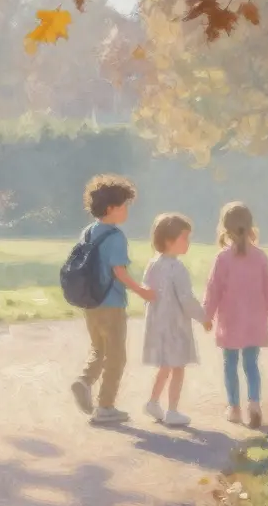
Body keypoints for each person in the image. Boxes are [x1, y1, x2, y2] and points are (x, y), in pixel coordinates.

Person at [70, 174, 156, 425]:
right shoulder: (115, 236)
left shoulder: (87, 232)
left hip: (90, 303)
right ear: (111, 209)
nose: (127, 210)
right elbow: (119, 271)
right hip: (111, 304)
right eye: (124, 205)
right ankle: (105, 407)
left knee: (99, 349)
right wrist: (142, 291)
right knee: (116, 356)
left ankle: (84, 381)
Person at [203, 202, 268, 429]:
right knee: (251, 364)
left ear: (225, 228)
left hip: (231, 320)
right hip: (254, 320)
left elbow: (213, 288)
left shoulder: (223, 258)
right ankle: (255, 403)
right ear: (250, 227)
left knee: (230, 363)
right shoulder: (260, 257)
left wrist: (207, 315)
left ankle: (234, 408)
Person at [141, 213, 212, 428]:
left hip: (157, 324)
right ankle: (172, 410)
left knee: (165, 366)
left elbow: (148, 292)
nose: (188, 243)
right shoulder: (177, 269)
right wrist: (203, 318)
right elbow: (186, 299)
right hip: (174, 325)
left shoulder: (153, 264)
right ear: (169, 241)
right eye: (185, 238)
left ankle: (153, 402)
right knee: (178, 367)